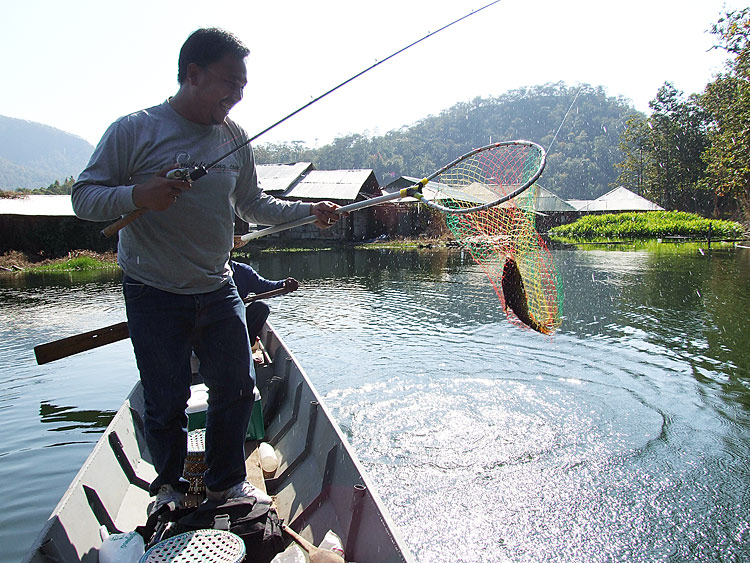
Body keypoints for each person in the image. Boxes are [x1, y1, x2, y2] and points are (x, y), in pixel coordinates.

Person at [71, 28, 341, 514]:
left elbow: (255, 205)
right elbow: (84, 198)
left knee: (238, 388)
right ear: (192, 74)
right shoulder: (134, 130)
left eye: (242, 87)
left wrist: (308, 211)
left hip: (217, 286)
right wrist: (139, 194)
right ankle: (169, 489)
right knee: (166, 398)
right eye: (228, 83)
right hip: (153, 290)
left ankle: (224, 482)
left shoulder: (233, 136)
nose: (237, 96)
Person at [230, 260, 298, 345]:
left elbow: (264, 287)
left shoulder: (242, 270)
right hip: (213, 321)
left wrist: (284, 285)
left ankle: (244, 346)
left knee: (261, 308)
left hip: (237, 319)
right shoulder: (208, 272)